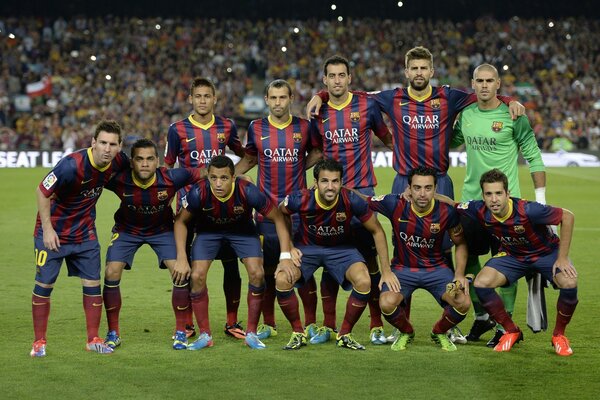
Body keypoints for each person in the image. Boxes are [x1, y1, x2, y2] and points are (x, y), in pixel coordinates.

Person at [307, 47, 524, 342]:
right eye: (414, 68)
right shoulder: (391, 98)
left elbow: (484, 94)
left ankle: (449, 319)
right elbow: (349, 93)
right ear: (406, 72)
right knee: (402, 251)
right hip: (403, 182)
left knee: (445, 247)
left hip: (440, 182)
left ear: (431, 71)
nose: (419, 73)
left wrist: (511, 100)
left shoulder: (449, 96)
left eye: (424, 68)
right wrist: (319, 95)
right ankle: (402, 326)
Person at [451, 63, 548, 346]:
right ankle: (483, 316)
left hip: (507, 206)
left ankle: (506, 325)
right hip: (471, 202)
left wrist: (541, 202)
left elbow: (534, 156)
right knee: (464, 251)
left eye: (489, 81)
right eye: (479, 80)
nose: (483, 85)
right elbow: (450, 140)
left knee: (507, 262)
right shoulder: (466, 115)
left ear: (498, 84)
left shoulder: (513, 115)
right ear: (473, 83)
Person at [309, 55, 395, 345]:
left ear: (349, 78)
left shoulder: (366, 104)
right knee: (332, 255)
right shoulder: (318, 113)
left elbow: (387, 138)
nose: (336, 80)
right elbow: (316, 151)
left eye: (341, 75)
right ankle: (329, 326)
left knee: (369, 255)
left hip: (363, 191)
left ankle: (375, 324)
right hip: (330, 194)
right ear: (325, 80)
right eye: (331, 76)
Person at [173, 155, 296, 350]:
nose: (218, 183)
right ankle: (205, 335)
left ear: (233, 177)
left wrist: (286, 256)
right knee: (196, 275)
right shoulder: (199, 192)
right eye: (213, 178)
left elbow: (278, 218)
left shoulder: (248, 191)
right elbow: (180, 221)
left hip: (243, 232)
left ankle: (251, 333)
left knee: (257, 273)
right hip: (208, 233)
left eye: (223, 178)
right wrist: (181, 257)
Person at [30, 120, 128, 357]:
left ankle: (93, 339)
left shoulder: (119, 160)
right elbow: (42, 191)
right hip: (53, 233)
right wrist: (48, 229)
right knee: (44, 285)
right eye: (102, 143)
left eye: (112, 144)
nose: (107, 148)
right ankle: (39, 342)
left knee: (93, 284)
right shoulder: (71, 166)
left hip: (85, 232)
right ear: (93, 143)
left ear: (119, 146)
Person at [454, 169, 577, 356]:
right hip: (513, 256)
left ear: (507, 194)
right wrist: (417, 196)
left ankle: (559, 336)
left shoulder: (528, 210)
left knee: (569, 282)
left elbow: (567, 216)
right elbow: (451, 205)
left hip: (545, 254)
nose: (494, 199)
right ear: (483, 195)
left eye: (498, 193)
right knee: (481, 283)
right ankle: (511, 331)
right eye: (489, 194)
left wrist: (562, 257)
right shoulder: (478, 209)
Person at [275, 158, 395, 351]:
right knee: (282, 279)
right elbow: (280, 214)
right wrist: (287, 250)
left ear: (341, 182)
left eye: (335, 181)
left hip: (342, 250)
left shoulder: (351, 199)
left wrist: (386, 271)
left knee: (364, 281)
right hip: (307, 248)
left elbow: (377, 231)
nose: (330, 187)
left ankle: (345, 334)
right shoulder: (300, 198)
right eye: (324, 181)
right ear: (315, 182)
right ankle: (298, 332)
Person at [235, 79, 321, 341]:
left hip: (298, 213)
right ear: (266, 100)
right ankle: (269, 323)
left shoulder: (304, 127)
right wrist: (229, 177)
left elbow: (317, 152)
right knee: (270, 269)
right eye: (273, 98)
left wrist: (298, 167)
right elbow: (250, 158)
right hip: (265, 213)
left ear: (290, 99)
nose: (278, 103)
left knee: (302, 270)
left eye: (282, 97)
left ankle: (311, 323)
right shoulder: (256, 127)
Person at [165, 77, 247, 339]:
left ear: (215, 99)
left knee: (230, 264)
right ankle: (187, 324)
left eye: (207, 96)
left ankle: (232, 321)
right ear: (190, 99)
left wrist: (235, 178)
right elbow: (167, 170)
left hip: (222, 207)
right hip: (189, 208)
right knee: (185, 266)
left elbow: (245, 154)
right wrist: (165, 205)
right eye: (197, 96)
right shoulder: (176, 130)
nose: (202, 100)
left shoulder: (226, 126)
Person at [101, 138, 202, 350]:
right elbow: (90, 176)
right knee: (111, 272)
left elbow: (207, 172)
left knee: (180, 272)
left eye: (149, 159)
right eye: (139, 159)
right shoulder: (119, 179)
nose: (145, 164)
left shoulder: (172, 177)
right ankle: (113, 333)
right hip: (127, 230)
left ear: (158, 161)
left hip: (162, 230)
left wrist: (239, 177)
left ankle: (180, 332)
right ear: (131, 162)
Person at [365, 166, 470, 351]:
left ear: (435, 189)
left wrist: (459, 274)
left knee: (463, 302)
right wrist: (335, 188)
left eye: (428, 188)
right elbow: (361, 200)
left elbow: (460, 243)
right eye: (417, 188)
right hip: (403, 269)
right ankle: (406, 331)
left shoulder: (447, 211)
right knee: (387, 303)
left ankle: (439, 331)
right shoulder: (395, 204)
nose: (422, 193)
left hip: (437, 270)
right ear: (409, 188)